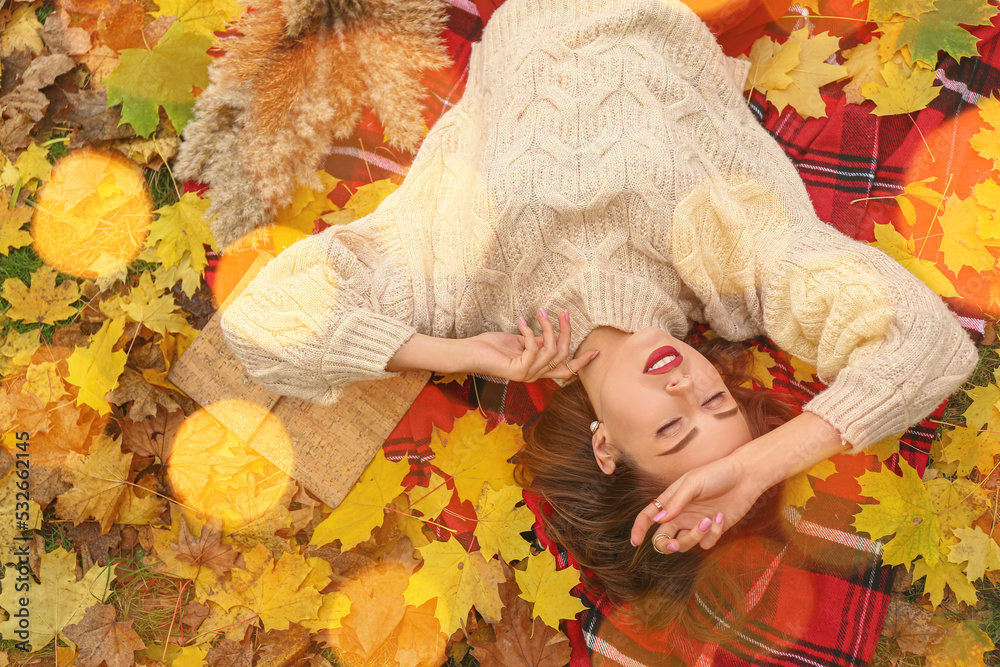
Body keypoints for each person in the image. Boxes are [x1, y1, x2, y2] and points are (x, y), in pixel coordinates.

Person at [217, 0, 978, 623]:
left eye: (673, 425)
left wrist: (460, 353)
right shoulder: (728, 265)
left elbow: (261, 320)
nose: (686, 384)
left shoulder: (465, 289)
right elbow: (927, 342)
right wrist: (755, 470)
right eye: (716, 397)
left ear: (606, 447)